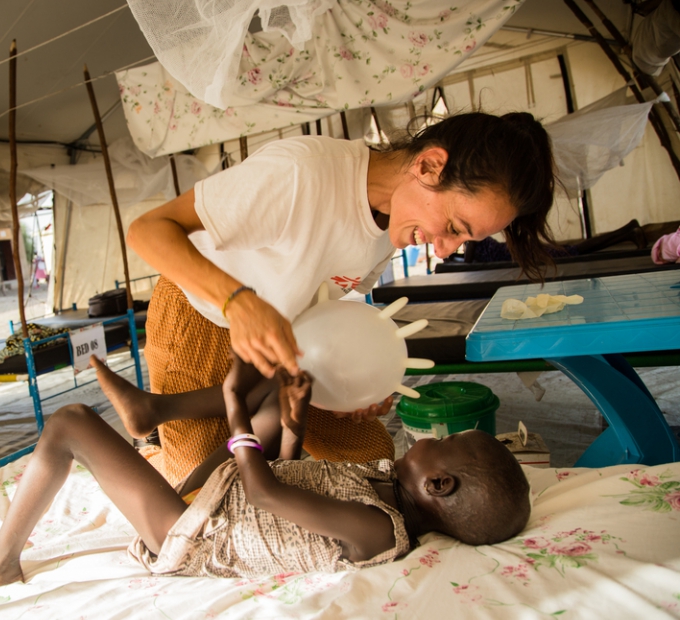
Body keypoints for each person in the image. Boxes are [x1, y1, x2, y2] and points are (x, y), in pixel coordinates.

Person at [126, 111, 557, 482]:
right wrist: (237, 302)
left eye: (462, 240)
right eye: (455, 227)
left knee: (371, 459)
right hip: (198, 315)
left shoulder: (394, 223)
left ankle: (213, 438)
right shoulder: (302, 174)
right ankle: (155, 453)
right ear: (429, 167)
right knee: (207, 489)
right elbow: (148, 229)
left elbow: (324, 305)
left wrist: (354, 384)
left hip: (286, 339)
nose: (444, 249)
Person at [0, 355, 531, 595]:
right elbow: (290, 477)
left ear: (440, 487)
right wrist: (290, 419)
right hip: (228, 495)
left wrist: (235, 411)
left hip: (192, 530)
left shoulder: (377, 529)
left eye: (441, 445)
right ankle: (151, 412)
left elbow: (265, 488)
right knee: (278, 382)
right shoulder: (383, 483)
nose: (430, 438)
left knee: (70, 421)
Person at [461, 219, 646, 264]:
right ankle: (628, 232)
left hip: (526, 253)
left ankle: (628, 231)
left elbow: (469, 260)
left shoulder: (472, 234)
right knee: (572, 250)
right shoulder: (471, 236)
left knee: (573, 251)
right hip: (523, 252)